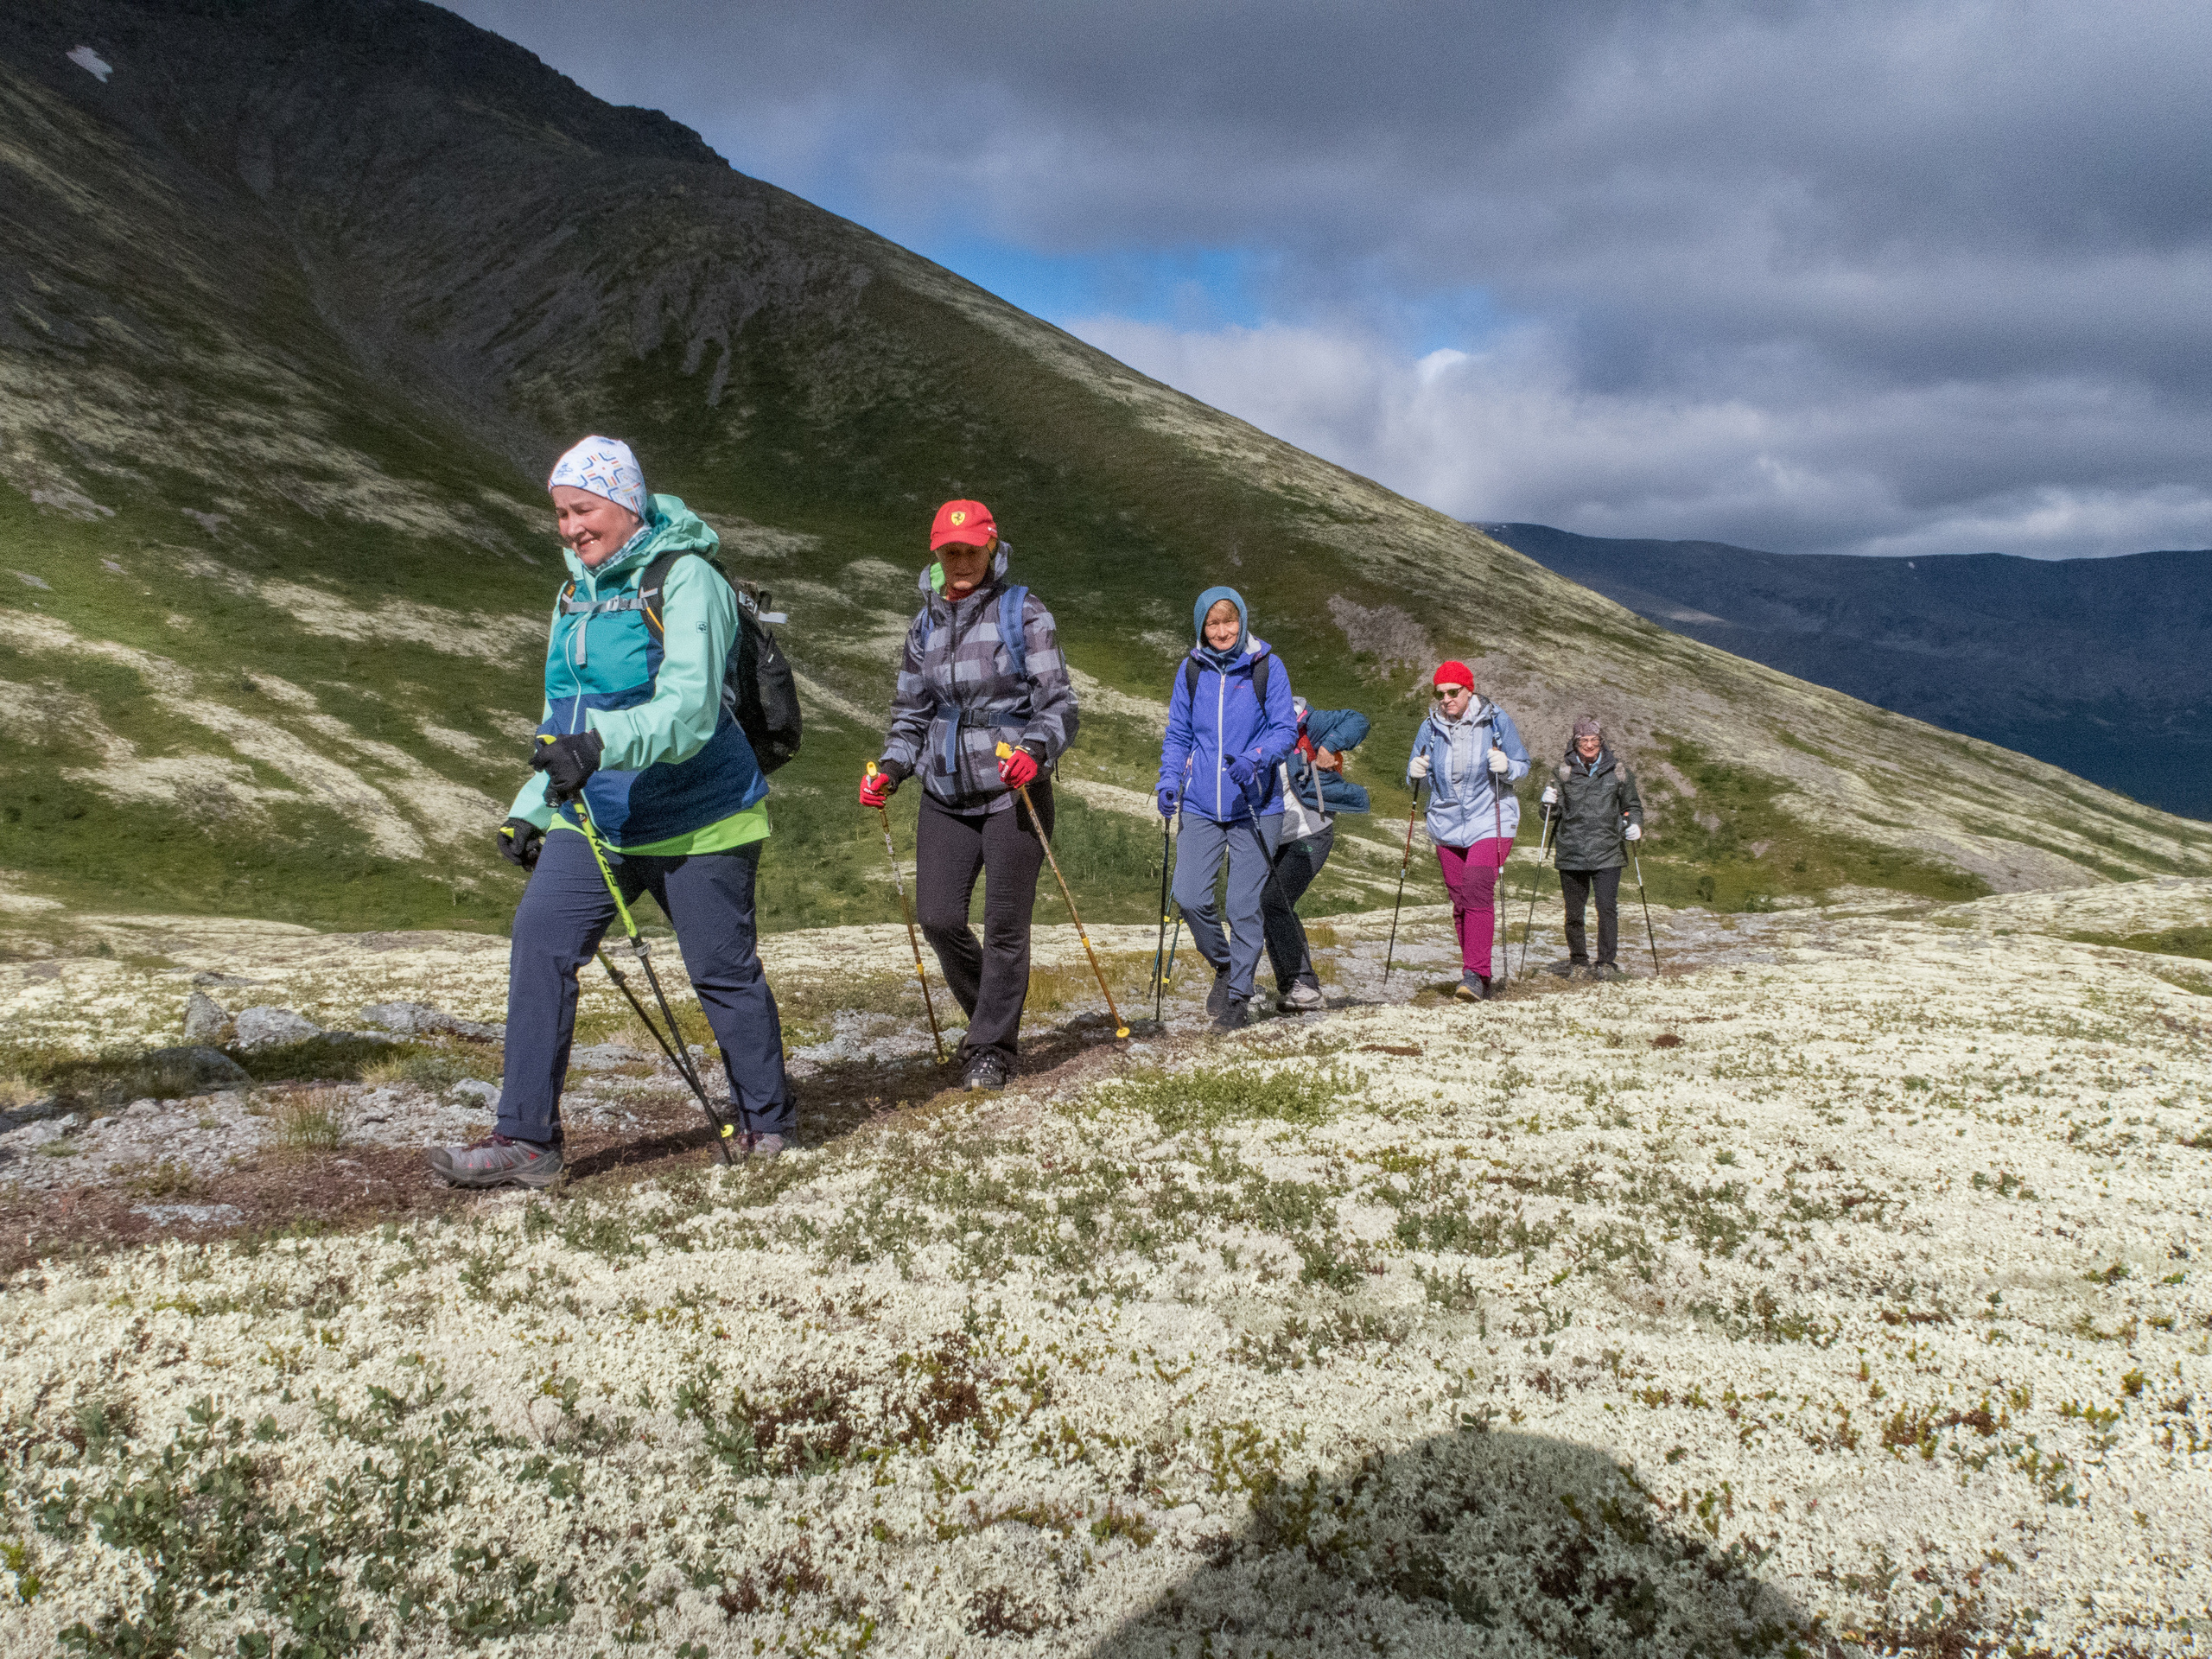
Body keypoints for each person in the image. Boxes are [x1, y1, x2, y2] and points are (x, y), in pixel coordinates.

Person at [430, 436, 794, 1189]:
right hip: (596, 816)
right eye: (560, 514)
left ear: (626, 503)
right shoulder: (575, 594)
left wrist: (599, 746)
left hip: (703, 814)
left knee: (721, 972)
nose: (569, 528)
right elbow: (561, 710)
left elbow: (691, 711)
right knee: (540, 942)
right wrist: (531, 808)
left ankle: (768, 1123)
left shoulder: (687, 578)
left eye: (583, 509)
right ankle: (526, 1140)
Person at [862, 500, 1078, 1094]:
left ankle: (990, 1048)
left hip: (1015, 792)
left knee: (1006, 926)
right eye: (949, 551)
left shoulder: (1023, 611)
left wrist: (1036, 752)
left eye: (970, 550)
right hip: (945, 791)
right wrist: (890, 768)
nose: (960, 562)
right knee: (938, 917)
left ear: (991, 548)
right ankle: (993, 1014)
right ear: (937, 554)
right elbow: (911, 712)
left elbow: (1060, 703)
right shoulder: (923, 623)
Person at [1158, 588, 1300, 1032]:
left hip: (1256, 805)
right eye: (1212, 624)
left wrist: (1255, 757)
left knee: (1242, 904)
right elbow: (1179, 733)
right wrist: (1168, 780)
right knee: (1190, 895)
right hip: (1201, 803)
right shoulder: (1192, 670)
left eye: (1229, 621)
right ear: (1202, 627)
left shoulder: (1267, 668)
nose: (1222, 631)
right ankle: (1225, 964)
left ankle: (1239, 994)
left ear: (1242, 620)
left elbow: (1285, 730)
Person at [1406, 660, 1530, 1001]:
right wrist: (1413, 771)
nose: (1445, 699)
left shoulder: (1496, 721)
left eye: (1453, 692)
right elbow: (1415, 771)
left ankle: (1475, 974)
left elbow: (1523, 765)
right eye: (1440, 693)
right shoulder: (1429, 728)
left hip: (1491, 817)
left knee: (1476, 888)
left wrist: (1507, 768)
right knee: (1460, 900)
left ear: (1468, 690)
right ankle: (1474, 971)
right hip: (1446, 823)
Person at [1262, 696, 1370, 1012]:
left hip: (1311, 830)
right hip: (1269, 837)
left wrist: (1330, 744)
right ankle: (1288, 986)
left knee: (1273, 901)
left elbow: (1357, 719)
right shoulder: (1244, 730)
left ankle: (1303, 985)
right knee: (1261, 904)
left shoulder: (1305, 721)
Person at [1538, 716, 1644, 981]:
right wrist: (1546, 803)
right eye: (1583, 741)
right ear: (1575, 744)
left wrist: (1636, 825)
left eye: (1594, 740)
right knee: (1574, 912)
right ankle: (1579, 961)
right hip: (1571, 852)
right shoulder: (1562, 772)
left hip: (1608, 851)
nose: (1589, 745)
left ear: (1602, 742)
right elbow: (1549, 815)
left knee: (1607, 908)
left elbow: (1633, 805)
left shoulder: (1618, 771)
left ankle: (1606, 962)